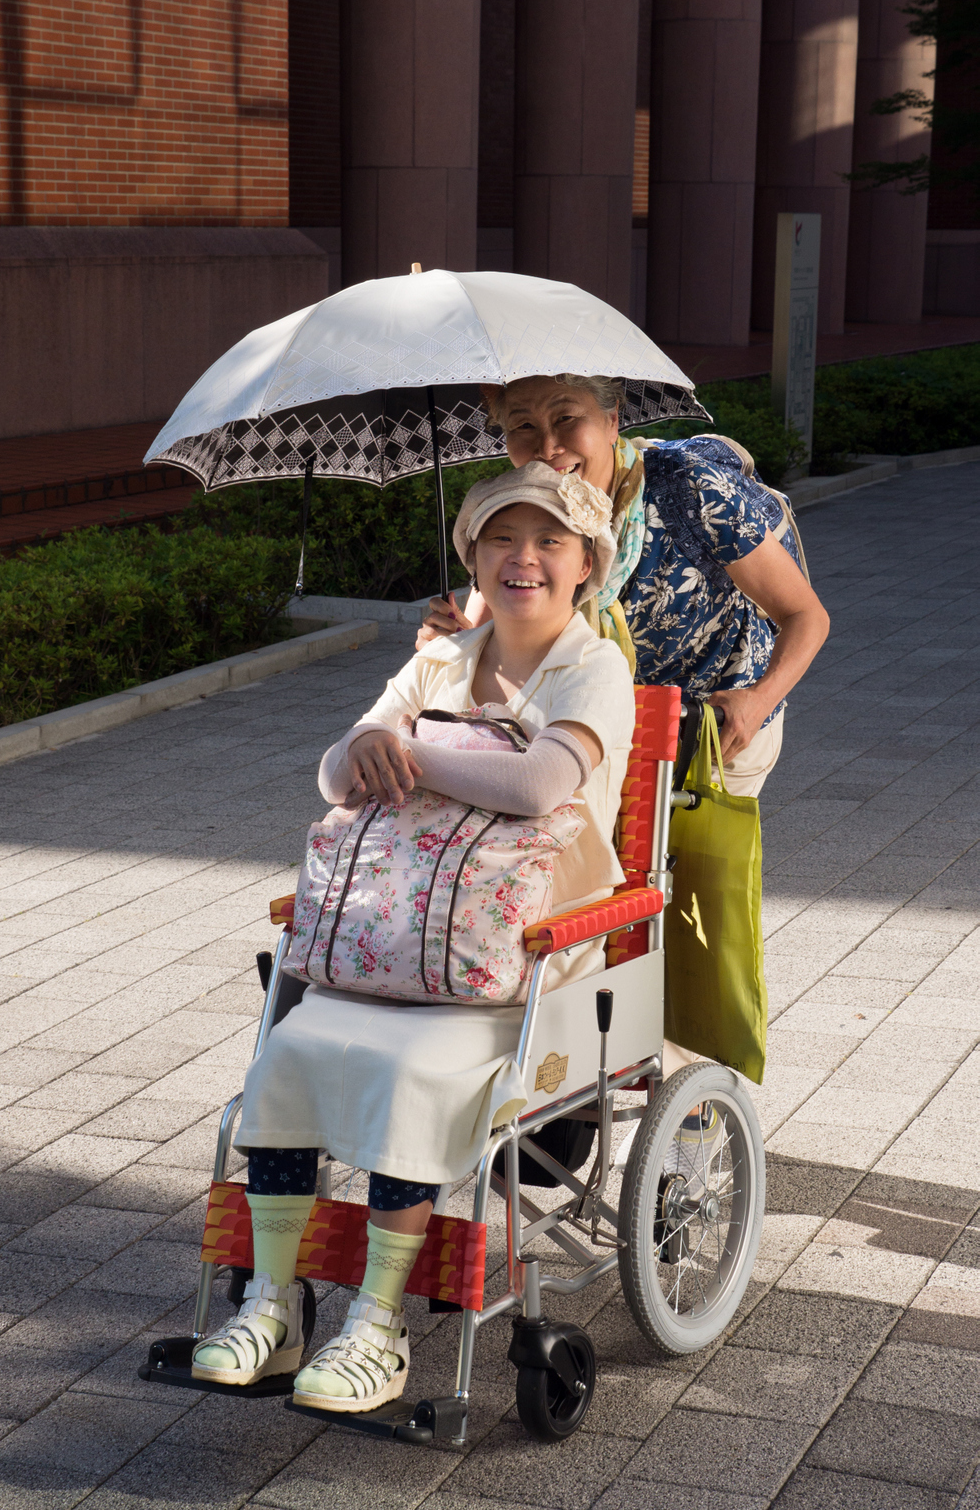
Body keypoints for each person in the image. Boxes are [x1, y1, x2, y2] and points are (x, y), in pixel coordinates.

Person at [190, 461, 635, 1413]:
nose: (524, 560)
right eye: (501, 540)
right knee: (293, 1049)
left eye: (549, 542)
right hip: (402, 940)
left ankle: (378, 1324)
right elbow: (331, 777)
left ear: (585, 564)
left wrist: (410, 754)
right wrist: (362, 745)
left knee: (410, 1073)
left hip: (526, 959)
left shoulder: (594, 668)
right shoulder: (437, 660)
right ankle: (275, 1303)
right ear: (471, 553)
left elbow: (535, 788)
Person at [417, 374, 830, 799]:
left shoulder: (690, 488)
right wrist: (453, 644)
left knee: (693, 864)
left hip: (715, 725)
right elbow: (489, 635)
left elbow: (806, 615)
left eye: (566, 418)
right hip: (592, 721)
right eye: (523, 426)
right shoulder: (521, 504)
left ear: (613, 420)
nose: (547, 447)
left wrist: (758, 701)